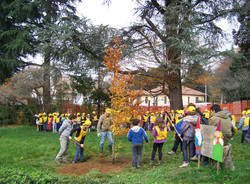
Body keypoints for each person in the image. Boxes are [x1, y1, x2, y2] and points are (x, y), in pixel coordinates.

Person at [209, 104, 235, 171]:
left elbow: (210, 131)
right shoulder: (228, 118)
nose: (210, 113)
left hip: (217, 141)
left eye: (211, 111)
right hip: (226, 140)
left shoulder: (213, 119)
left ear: (214, 111)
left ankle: (207, 162)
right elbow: (233, 131)